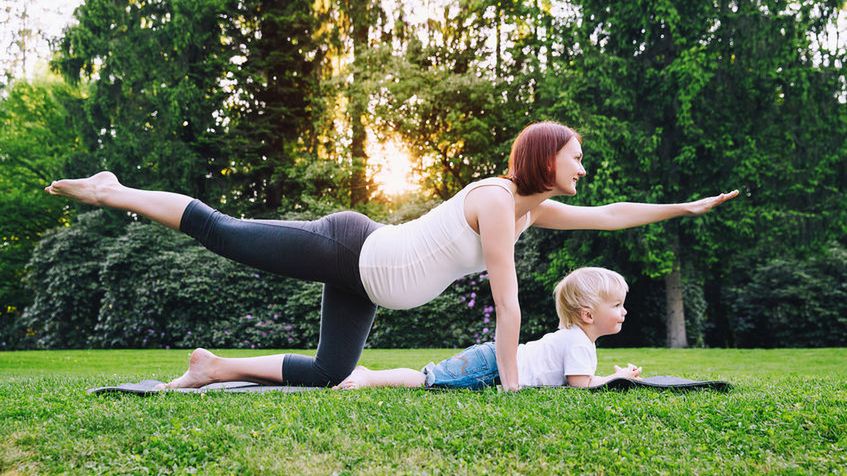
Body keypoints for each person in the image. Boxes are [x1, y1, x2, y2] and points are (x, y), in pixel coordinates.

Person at [44, 121, 737, 391]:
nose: (582, 171)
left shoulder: (533, 208)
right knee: (225, 233)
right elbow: (508, 303)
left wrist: (683, 207)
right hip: (349, 248)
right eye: (577, 158)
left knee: (329, 370)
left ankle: (211, 367)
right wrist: (512, 385)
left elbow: (611, 216)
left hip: (367, 283)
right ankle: (116, 191)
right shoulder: (499, 201)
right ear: (545, 157)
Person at [332, 267, 641, 390]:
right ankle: (368, 376)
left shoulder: (576, 338)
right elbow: (580, 385)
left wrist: (615, 375)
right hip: (492, 365)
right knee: (428, 380)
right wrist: (617, 377)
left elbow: (580, 380)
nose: (623, 311)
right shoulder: (578, 343)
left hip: (494, 361)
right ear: (588, 315)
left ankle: (369, 375)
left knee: (431, 379)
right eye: (616, 305)